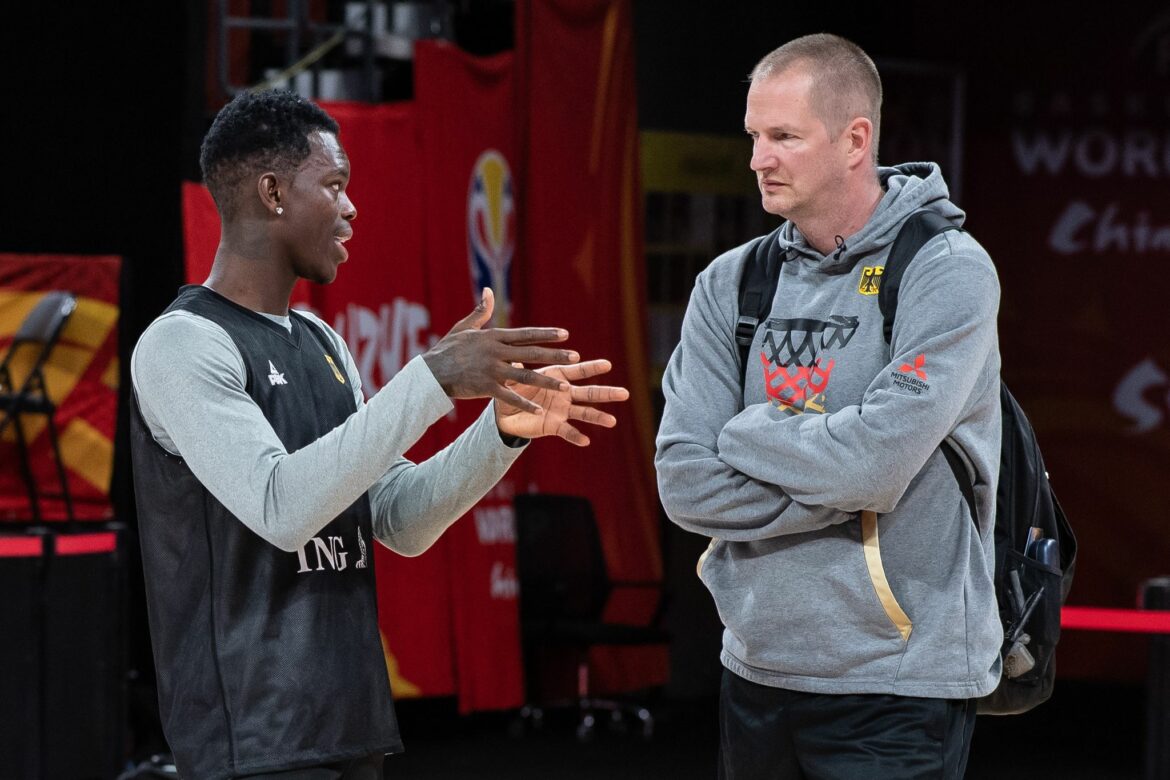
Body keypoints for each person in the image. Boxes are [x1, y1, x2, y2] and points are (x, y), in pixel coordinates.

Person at [130, 89, 628, 780]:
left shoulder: (324, 341)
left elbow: (399, 519)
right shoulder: (183, 345)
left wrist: (501, 433)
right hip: (251, 736)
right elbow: (282, 508)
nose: (351, 207)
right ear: (272, 192)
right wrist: (429, 381)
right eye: (333, 185)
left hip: (349, 718)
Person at [655, 34, 1002, 779]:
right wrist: (837, 481)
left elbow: (876, 466)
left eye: (783, 136)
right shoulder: (729, 282)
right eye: (754, 135)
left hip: (897, 682)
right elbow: (684, 480)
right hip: (755, 669)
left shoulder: (948, 270)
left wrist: (747, 434)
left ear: (854, 141)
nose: (758, 158)